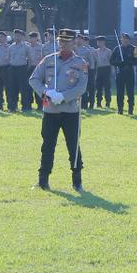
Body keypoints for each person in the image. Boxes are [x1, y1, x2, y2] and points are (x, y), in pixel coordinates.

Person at [28, 28, 88, 192]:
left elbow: (81, 87)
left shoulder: (80, 63)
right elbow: (33, 79)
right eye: (61, 41)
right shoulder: (48, 60)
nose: (63, 44)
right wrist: (46, 92)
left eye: (67, 41)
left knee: (73, 146)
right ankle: (43, 180)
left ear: (74, 42)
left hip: (70, 111)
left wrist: (63, 96)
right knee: (47, 145)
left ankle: (77, 182)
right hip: (51, 111)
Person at [110, 32, 137, 115]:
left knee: (130, 92)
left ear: (129, 40)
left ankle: (130, 109)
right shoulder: (117, 49)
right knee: (120, 92)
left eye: (126, 39)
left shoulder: (135, 48)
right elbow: (111, 60)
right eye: (123, 39)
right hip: (120, 72)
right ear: (121, 40)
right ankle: (120, 109)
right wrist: (119, 63)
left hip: (130, 72)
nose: (124, 40)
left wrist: (129, 62)